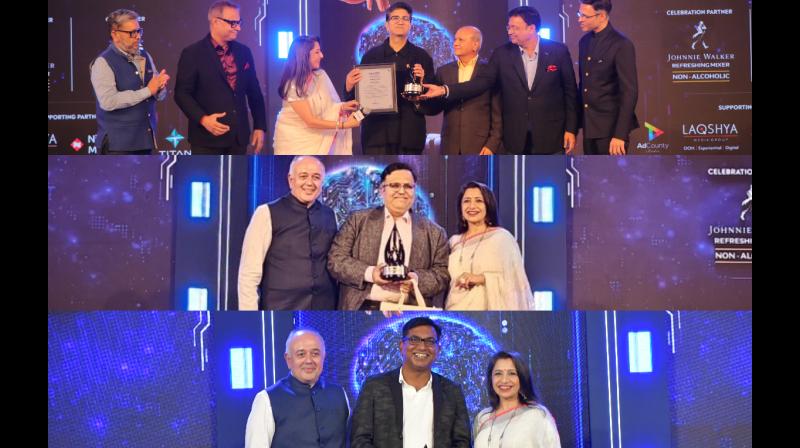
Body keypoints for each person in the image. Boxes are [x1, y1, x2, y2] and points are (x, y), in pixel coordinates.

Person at [421, 6, 578, 155]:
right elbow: (482, 82)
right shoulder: (502, 54)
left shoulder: (558, 51)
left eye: (515, 28)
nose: (510, 32)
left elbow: (570, 92)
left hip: (551, 135)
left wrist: (571, 129)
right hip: (514, 137)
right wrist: (445, 90)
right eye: (509, 27)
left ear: (531, 28)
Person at [327, 162, 450, 310]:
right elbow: (336, 260)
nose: (402, 191)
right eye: (395, 185)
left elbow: (442, 275)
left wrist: (416, 280)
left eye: (408, 186)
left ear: (414, 190)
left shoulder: (434, 232)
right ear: (382, 190)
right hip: (363, 307)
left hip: (407, 309)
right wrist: (371, 273)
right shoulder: (357, 220)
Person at [350, 317, 471, 448]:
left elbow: (462, 442)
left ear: (438, 350)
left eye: (430, 341)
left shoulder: (452, 391)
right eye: (414, 340)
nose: (422, 347)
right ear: (401, 346)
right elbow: (359, 440)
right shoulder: (374, 387)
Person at [238, 156, 338, 310]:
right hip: (281, 307)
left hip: (325, 306)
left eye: (316, 177)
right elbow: (249, 274)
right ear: (291, 180)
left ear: (322, 182)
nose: (310, 183)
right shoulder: (266, 213)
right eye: (303, 176)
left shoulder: (329, 214)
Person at [343, 2, 436, 154]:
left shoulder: (422, 57)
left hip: (409, 135)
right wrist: (348, 85)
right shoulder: (371, 57)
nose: (400, 21)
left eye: (405, 18)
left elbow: (434, 102)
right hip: (376, 135)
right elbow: (357, 100)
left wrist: (423, 82)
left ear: (410, 24)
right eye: (395, 18)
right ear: (387, 25)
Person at [174, 0, 267, 154]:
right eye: (233, 23)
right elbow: (182, 94)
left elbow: (254, 92)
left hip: (238, 138)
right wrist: (203, 119)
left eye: (239, 22)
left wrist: (259, 126)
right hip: (206, 138)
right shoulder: (192, 53)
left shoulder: (244, 52)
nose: (238, 27)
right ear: (216, 22)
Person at [245, 329, 349, 448]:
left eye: (315, 354)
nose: (309, 360)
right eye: (301, 354)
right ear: (288, 360)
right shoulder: (266, 399)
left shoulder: (339, 394)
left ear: (323, 357)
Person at [90, 9, 169, 154]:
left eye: (139, 31)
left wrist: (160, 88)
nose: (137, 36)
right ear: (115, 34)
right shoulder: (103, 62)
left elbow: (158, 94)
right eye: (132, 33)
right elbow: (108, 101)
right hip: (118, 147)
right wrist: (148, 91)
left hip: (145, 141)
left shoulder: (145, 56)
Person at [446, 182, 535, 310]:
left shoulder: (502, 238)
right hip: (454, 309)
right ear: (460, 208)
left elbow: (515, 283)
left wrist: (482, 278)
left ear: (488, 206)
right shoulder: (453, 242)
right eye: (466, 201)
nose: (472, 206)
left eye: (478, 201)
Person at [273, 36, 361, 155]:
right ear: (304, 55)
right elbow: (310, 121)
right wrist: (344, 125)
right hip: (295, 140)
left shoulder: (320, 76)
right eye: (317, 52)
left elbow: (329, 106)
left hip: (318, 138)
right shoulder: (292, 85)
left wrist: (343, 107)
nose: (322, 56)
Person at [577, 0, 639, 155]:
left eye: (585, 16)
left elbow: (629, 92)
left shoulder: (621, 44)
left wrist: (620, 134)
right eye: (579, 14)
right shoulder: (584, 42)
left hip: (611, 130)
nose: (579, 19)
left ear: (602, 16)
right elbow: (583, 85)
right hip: (589, 126)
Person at [430, 26, 503, 155]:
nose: (456, 43)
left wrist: (492, 144)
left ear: (475, 45)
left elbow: (498, 112)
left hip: (480, 144)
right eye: (455, 39)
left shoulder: (489, 71)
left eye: (461, 40)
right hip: (449, 144)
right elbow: (435, 107)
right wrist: (419, 98)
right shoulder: (444, 71)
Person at [473, 351, 561, 448]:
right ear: (491, 379)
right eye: (498, 373)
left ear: (522, 378)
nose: (504, 380)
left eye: (512, 373)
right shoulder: (483, 418)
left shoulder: (538, 415)